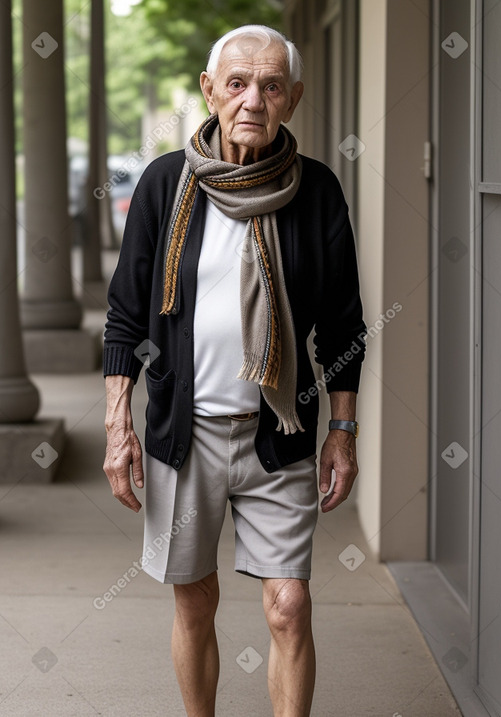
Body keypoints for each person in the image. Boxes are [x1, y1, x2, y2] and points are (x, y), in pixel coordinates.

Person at [103, 24, 366, 717]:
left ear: (294, 98)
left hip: (277, 436)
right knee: (195, 599)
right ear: (210, 91)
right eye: (239, 82)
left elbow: (343, 327)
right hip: (182, 437)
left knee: (289, 604)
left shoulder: (317, 193)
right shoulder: (166, 185)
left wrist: (342, 429)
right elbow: (126, 319)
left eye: (271, 85)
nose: (253, 98)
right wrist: (117, 426)